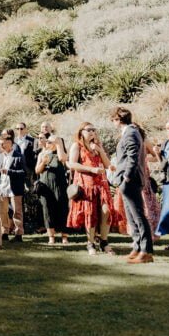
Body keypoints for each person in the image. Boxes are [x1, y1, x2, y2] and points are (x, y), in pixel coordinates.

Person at [67, 122, 118, 256]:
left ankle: (104, 242)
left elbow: (107, 164)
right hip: (86, 184)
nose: (92, 132)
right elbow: (72, 164)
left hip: (101, 184)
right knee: (90, 214)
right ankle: (90, 243)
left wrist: (100, 150)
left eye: (93, 130)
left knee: (106, 211)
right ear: (81, 132)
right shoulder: (77, 145)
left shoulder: (97, 145)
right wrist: (91, 169)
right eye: (88, 130)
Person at [111, 107, 154, 263]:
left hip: (131, 180)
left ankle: (146, 251)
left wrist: (127, 177)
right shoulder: (130, 132)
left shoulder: (130, 133)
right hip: (128, 181)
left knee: (138, 215)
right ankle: (137, 247)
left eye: (113, 119)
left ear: (118, 120)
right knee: (131, 216)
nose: (113, 122)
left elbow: (132, 156)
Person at [35, 134, 70, 244]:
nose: (47, 143)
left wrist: (59, 145)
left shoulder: (62, 153)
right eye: (47, 142)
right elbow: (37, 171)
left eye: (50, 142)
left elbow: (63, 159)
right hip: (45, 185)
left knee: (63, 209)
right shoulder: (42, 154)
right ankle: (51, 236)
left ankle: (64, 236)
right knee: (47, 210)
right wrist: (43, 162)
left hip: (60, 185)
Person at [0, 130, 26, 242]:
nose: (1, 146)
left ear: (10, 143)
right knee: (2, 211)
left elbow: (24, 173)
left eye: (3, 144)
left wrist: (9, 171)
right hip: (1, 187)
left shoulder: (19, 156)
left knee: (17, 211)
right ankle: (4, 232)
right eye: (0, 144)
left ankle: (18, 233)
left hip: (14, 188)